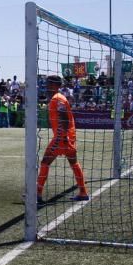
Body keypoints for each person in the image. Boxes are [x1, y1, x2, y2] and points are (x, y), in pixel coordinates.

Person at [37, 74, 89, 203]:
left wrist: (63, 136)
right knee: (74, 163)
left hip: (61, 137)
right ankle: (83, 192)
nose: (46, 86)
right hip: (67, 137)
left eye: (48, 84)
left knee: (45, 162)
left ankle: (37, 194)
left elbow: (64, 116)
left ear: (54, 85)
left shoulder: (57, 98)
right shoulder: (59, 98)